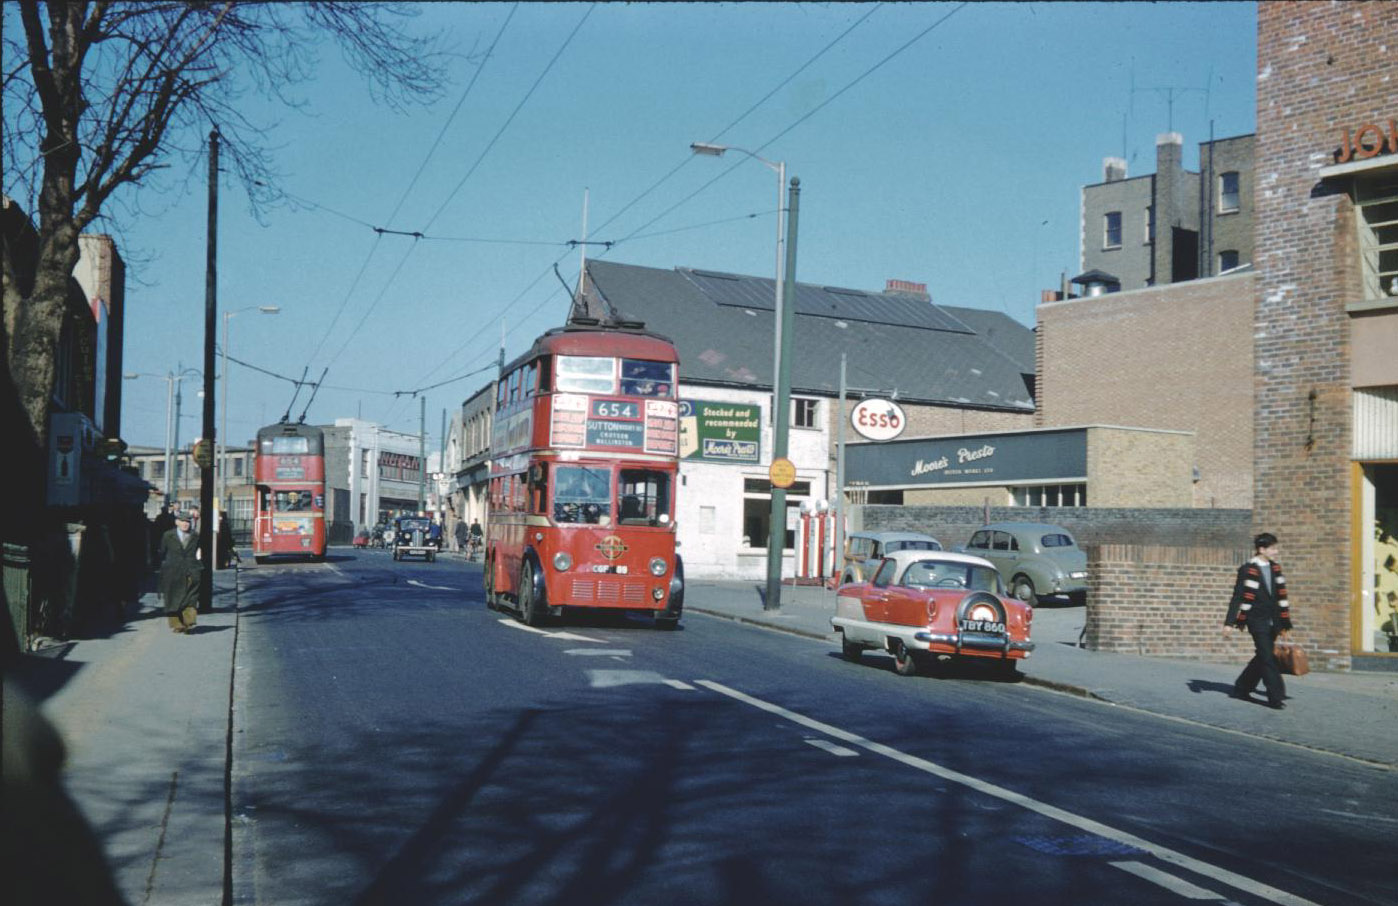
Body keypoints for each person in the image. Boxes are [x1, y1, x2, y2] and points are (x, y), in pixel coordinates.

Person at [1225, 532, 1292, 710]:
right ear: (1261, 549)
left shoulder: (1275, 569)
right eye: (1273, 548)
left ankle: (1242, 687)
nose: (1276, 551)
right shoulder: (1247, 569)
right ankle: (1275, 696)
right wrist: (1229, 623)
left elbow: (1280, 598)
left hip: (1274, 621)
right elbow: (1237, 597)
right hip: (1256, 619)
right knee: (1268, 657)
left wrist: (1285, 623)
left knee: (1263, 655)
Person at [158, 511, 201, 634]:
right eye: (183, 521)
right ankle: (176, 624)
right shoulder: (168, 535)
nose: (185, 524)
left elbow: (198, 551)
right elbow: (162, 551)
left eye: (188, 521)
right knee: (172, 597)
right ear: (177, 522)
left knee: (191, 596)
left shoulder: (195, 536)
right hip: (172, 570)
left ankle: (188, 621)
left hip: (191, 569)